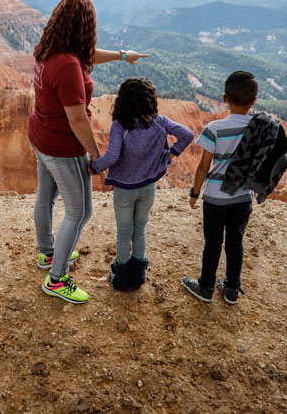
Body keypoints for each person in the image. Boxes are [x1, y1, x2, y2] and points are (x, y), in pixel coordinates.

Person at [28, 0, 148, 304]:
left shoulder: (48, 49)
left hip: (41, 135)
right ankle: (56, 279)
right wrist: (97, 155)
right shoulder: (67, 64)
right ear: (84, 27)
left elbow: (86, 56)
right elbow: (78, 119)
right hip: (63, 146)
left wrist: (123, 56)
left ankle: (47, 253)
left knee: (45, 197)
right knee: (80, 212)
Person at [88, 78, 194, 291]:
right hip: (148, 188)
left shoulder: (120, 126)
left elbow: (112, 156)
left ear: (123, 101)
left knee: (124, 232)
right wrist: (170, 154)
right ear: (149, 99)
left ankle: (121, 279)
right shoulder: (160, 122)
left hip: (124, 190)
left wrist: (94, 168)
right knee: (140, 229)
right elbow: (187, 134)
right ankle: (138, 278)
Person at [182, 71, 259, 305]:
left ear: (225, 98)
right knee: (236, 242)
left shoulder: (215, 128)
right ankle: (232, 289)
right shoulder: (258, 128)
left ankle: (205, 286)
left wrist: (195, 193)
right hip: (243, 196)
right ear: (253, 101)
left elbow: (204, 166)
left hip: (215, 198)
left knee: (213, 243)